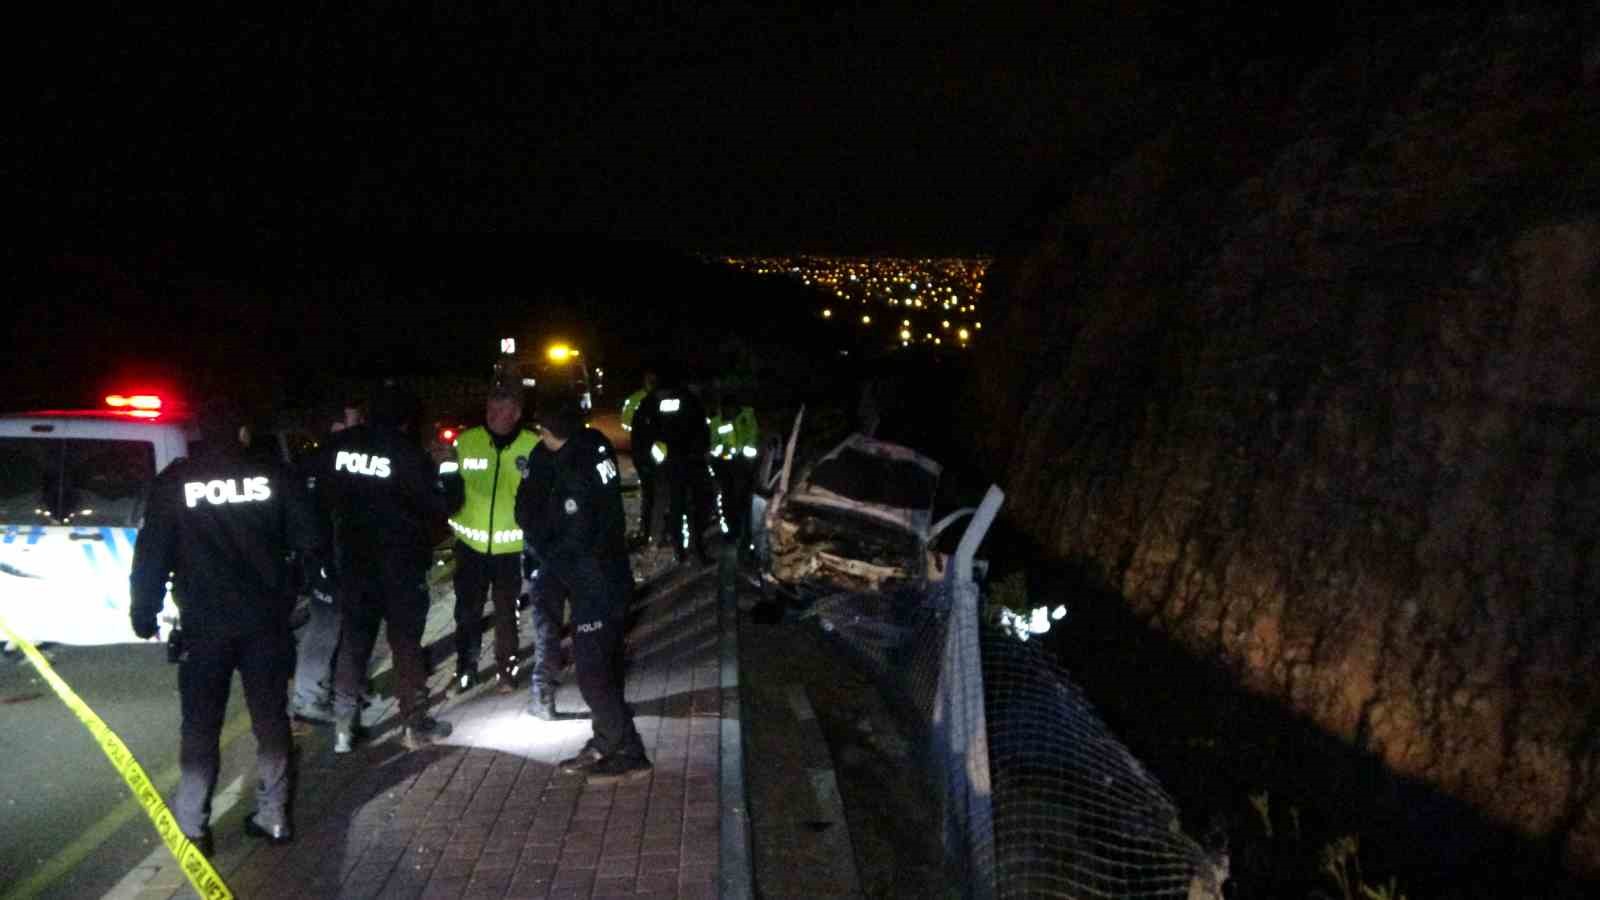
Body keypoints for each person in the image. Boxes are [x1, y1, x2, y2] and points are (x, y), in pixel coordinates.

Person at [130, 398, 319, 853]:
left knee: (200, 726)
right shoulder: (273, 475)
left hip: (204, 625)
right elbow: (311, 538)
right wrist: (294, 584)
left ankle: (193, 827)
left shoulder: (175, 481)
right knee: (270, 720)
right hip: (265, 622)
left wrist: (144, 610)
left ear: (199, 432)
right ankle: (275, 817)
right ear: (243, 433)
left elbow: (152, 553)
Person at [519, 391, 651, 784]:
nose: (539, 437)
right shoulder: (592, 443)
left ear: (549, 430)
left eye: (542, 430)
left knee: (593, 674)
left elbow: (566, 535)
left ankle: (628, 753)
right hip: (605, 577)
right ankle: (608, 741)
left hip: (595, 583)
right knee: (605, 668)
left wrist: (542, 543)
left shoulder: (574, 470)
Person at [320, 381, 453, 753]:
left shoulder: (339, 446)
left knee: (354, 644)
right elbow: (440, 507)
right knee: (406, 645)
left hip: (354, 562)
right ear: (406, 418)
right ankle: (415, 724)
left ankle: (344, 729)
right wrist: (448, 469)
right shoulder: (407, 453)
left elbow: (319, 494)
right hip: (400, 566)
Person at [442, 378, 537, 694]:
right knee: (466, 614)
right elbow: (448, 487)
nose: (493, 415)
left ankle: (506, 671)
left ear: (516, 413)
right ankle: (465, 670)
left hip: (510, 550)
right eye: (490, 409)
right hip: (470, 548)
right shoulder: (466, 442)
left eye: (501, 409)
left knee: (506, 613)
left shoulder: (532, 446)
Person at [289, 399, 364, 731]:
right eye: (353, 423)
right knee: (326, 627)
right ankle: (308, 699)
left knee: (345, 627)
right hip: (328, 558)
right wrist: (318, 559)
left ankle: (342, 690)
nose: (358, 428)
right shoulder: (320, 464)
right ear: (337, 426)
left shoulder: (330, 460)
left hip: (342, 556)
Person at [513, 436, 564, 720]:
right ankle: (604, 695)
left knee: (547, 629)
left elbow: (523, 514)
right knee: (590, 629)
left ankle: (544, 696)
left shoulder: (539, 457)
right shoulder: (584, 451)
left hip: (546, 559)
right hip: (578, 557)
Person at [641, 374, 715, 564]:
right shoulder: (690, 400)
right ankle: (695, 548)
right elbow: (701, 430)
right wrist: (701, 454)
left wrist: (654, 462)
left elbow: (647, 433)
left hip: (671, 463)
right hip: (689, 462)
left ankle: (680, 549)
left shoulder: (655, 401)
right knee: (693, 508)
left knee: (677, 507)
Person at [619, 370, 659, 545]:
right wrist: (641, 427)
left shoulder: (661, 398)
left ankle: (653, 527)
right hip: (642, 450)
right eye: (650, 379)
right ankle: (648, 528)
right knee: (650, 491)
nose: (652, 382)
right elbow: (625, 422)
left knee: (657, 492)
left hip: (658, 451)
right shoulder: (635, 400)